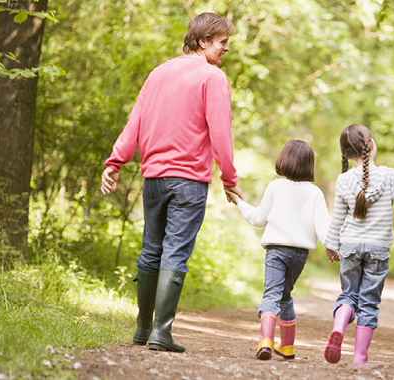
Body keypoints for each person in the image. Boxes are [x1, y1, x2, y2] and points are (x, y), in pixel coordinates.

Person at [100, 12, 243, 353]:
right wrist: (229, 177)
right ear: (203, 41)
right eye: (222, 42)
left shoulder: (159, 72)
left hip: (153, 178)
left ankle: (142, 329)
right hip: (189, 179)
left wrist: (115, 161)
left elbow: (135, 121)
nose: (226, 49)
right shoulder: (213, 77)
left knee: (151, 249)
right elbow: (221, 132)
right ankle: (161, 333)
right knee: (175, 250)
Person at [323, 124, 394, 365]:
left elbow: (337, 220)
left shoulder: (343, 180)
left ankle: (339, 325)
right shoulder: (390, 176)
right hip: (378, 248)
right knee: (368, 301)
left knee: (348, 295)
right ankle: (359, 357)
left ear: (346, 153)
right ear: (371, 145)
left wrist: (330, 244)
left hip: (349, 246)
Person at [226, 140, 330, 361]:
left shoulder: (275, 187)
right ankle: (288, 346)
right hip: (300, 255)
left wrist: (239, 202)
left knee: (271, 294)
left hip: (276, 251)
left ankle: (266, 340)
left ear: (284, 159)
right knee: (285, 296)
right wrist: (331, 248)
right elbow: (323, 227)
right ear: (309, 165)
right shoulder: (315, 193)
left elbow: (258, 219)